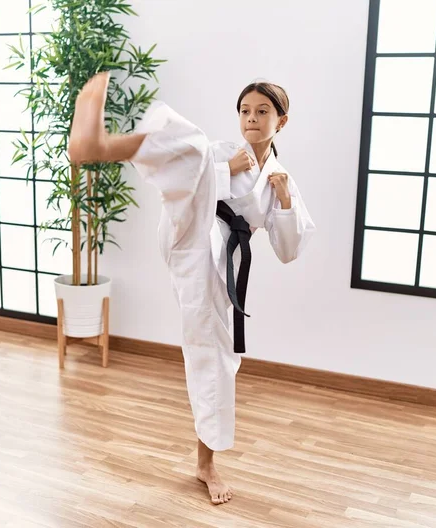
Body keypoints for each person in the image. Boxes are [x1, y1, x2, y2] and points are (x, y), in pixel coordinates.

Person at [68, 71, 315, 504]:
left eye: (262, 112)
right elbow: (185, 180)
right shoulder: (221, 152)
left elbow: (288, 249)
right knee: (196, 146)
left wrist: (287, 201)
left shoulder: (282, 179)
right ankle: (98, 147)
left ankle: (205, 464)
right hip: (189, 233)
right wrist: (224, 169)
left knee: (216, 359)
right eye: (244, 111)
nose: (251, 119)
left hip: (217, 265)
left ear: (282, 121)